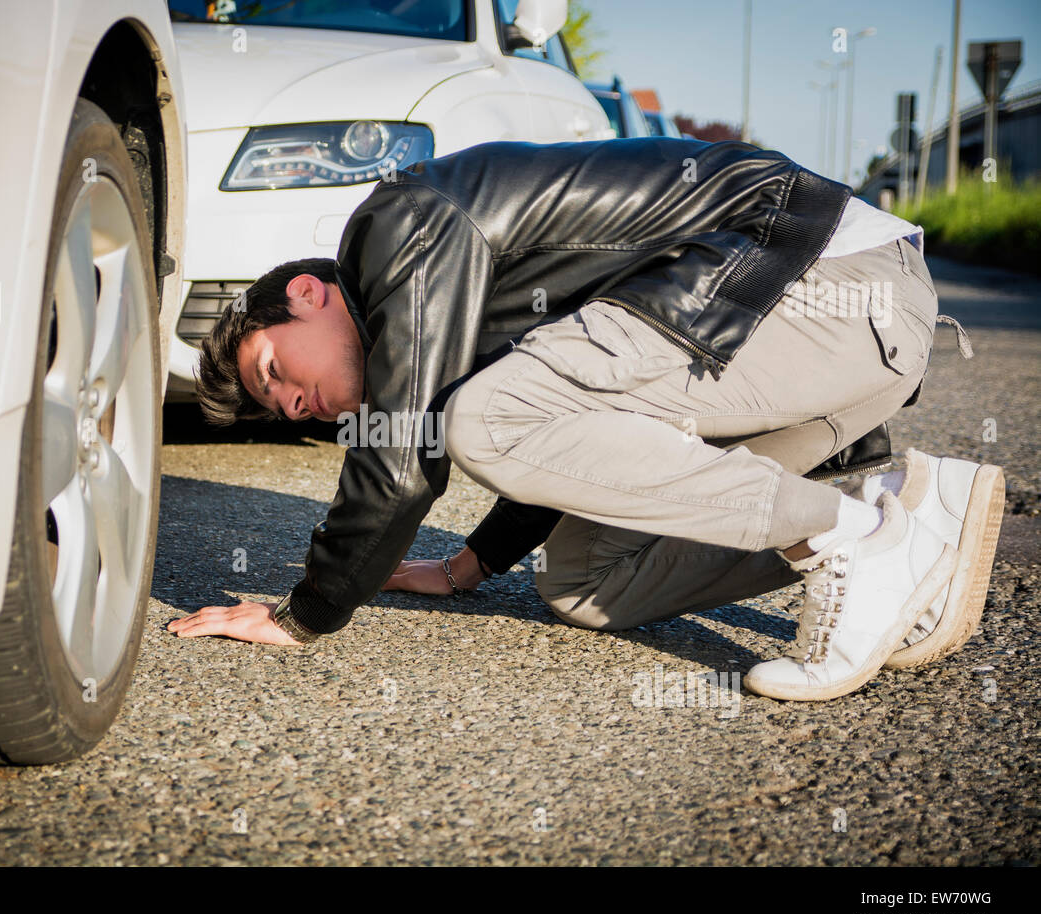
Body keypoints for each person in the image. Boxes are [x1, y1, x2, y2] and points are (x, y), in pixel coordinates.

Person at [167, 138, 1005, 701]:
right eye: (284, 411)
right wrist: (470, 565)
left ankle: (857, 538)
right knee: (585, 585)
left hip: (824, 284)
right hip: (832, 365)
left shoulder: (401, 225)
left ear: (306, 294)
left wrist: (302, 613)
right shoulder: (458, 321)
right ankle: (895, 504)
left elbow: (408, 452)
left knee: (479, 420)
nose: (297, 404)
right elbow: (577, 439)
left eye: (275, 370)